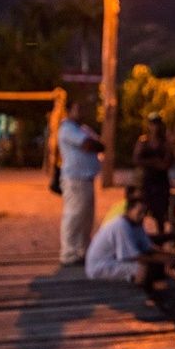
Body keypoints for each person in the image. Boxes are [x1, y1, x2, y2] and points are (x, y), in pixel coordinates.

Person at [85, 195, 175, 291]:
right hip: (100, 266)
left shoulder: (137, 224)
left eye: (145, 213)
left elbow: (148, 248)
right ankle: (138, 292)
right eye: (139, 212)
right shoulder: (121, 225)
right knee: (142, 267)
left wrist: (171, 256)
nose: (143, 216)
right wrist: (164, 259)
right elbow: (132, 256)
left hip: (113, 260)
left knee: (153, 263)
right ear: (129, 210)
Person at [58, 99, 104, 266]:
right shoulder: (67, 129)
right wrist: (96, 144)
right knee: (74, 215)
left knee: (86, 217)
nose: (81, 112)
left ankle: (82, 251)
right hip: (75, 179)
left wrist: (97, 144)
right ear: (69, 111)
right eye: (78, 109)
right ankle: (69, 253)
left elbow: (99, 144)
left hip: (86, 178)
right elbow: (88, 144)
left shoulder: (82, 129)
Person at [133, 113, 175, 240]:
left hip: (161, 183)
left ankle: (161, 239)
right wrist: (155, 162)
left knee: (160, 215)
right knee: (140, 212)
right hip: (146, 182)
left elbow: (167, 163)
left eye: (157, 124)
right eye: (152, 124)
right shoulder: (143, 141)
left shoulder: (165, 143)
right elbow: (136, 159)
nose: (155, 127)